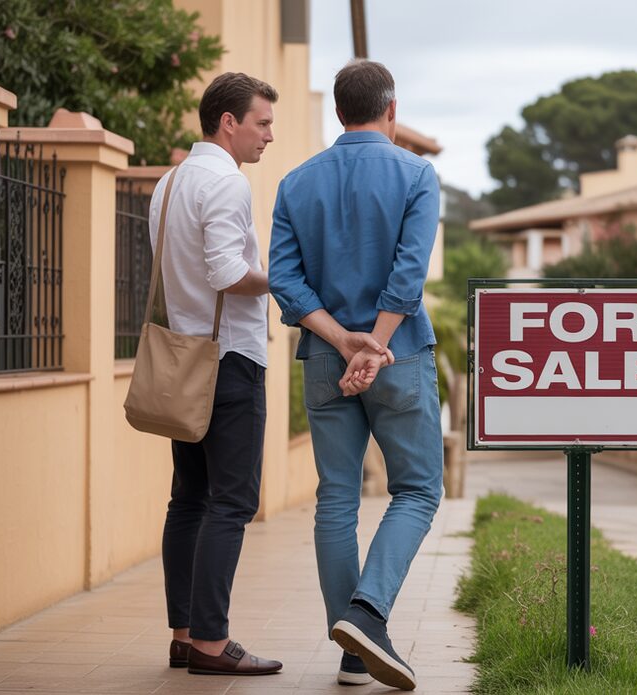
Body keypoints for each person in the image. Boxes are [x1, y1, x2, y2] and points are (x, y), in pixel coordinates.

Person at [268, 58, 442, 691]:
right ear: (391, 110)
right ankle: (368, 615)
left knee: (336, 497)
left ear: (338, 113)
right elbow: (410, 269)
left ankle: (351, 652)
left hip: (322, 357)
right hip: (398, 356)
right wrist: (374, 347)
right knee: (418, 491)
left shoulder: (294, 182)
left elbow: (285, 281)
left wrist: (343, 341)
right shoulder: (417, 174)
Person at [150, 72, 282, 676]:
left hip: (184, 357)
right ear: (228, 122)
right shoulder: (226, 183)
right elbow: (231, 273)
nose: (269, 136)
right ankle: (210, 643)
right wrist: (283, 277)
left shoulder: (170, 181)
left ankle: (183, 635)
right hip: (229, 359)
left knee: (189, 501)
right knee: (231, 504)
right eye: (262, 123)